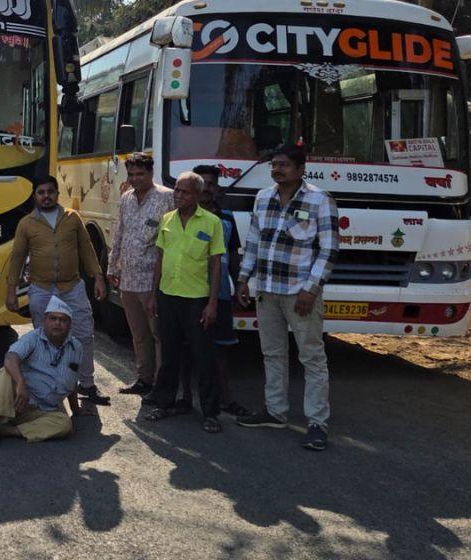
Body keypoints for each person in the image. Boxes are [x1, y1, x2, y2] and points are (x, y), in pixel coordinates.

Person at [236, 144, 338, 451]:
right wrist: (243, 279)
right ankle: (275, 411)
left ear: (300, 169)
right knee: (272, 353)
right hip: (267, 291)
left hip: (300, 293)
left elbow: (329, 249)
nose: (277, 169)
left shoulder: (320, 200)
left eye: (283, 165)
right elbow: (254, 242)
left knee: (312, 358)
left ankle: (317, 423)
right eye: (274, 165)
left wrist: (311, 289)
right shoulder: (263, 197)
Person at [5, 175, 110, 408]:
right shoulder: (27, 223)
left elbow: (86, 248)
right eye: (41, 192)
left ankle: (87, 384)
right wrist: (11, 290)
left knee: (83, 335)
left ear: (56, 194)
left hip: (71, 286)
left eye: (50, 192)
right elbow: (17, 258)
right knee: (43, 338)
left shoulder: (72, 218)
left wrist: (98, 277)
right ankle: (44, 384)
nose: (46, 196)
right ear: (35, 196)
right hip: (41, 288)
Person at [142, 172, 226, 433]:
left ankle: (211, 412)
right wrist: (154, 295)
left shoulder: (212, 222)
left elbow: (215, 265)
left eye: (185, 192)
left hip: (196, 299)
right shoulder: (167, 220)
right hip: (168, 295)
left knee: (204, 357)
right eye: (177, 190)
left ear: (198, 196)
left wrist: (212, 303)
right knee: (169, 354)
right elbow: (160, 258)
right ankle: (164, 403)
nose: (178, 196)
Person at [0, 296, 94, 452]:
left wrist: (76, 410)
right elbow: (10, 358)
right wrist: (21, 383)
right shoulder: (33, 338)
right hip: (19, 403)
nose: (57, 323)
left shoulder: (76, 347)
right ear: (45, 321)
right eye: (53, 318)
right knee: (5, 373)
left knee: (64, 425)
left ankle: (5, 431)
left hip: (44, 411)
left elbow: (72, 380)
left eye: (63, 320)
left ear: (70, 325)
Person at [106, 152, 174, 395]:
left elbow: (172, 239)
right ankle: (144, 379)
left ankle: (162, 384)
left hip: (153, 280)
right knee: (138, 334)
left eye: (140, 174)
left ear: (150, 173)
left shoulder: (167, 198)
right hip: (129, 278)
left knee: (158, 334)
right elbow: (119, 233)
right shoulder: (126, 198)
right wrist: (113, 266)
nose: (135, 179)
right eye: (131, 174)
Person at [193, 164, 252, 418]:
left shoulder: (226, 217)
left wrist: (240, 283)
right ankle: (185, 399)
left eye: (212, 184)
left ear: (217, 188)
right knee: (188, 349)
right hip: (190, 292)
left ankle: (226, 399)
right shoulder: (181, 215)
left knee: (221, 350)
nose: (207, 188)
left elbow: (232, 254)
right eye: (202, 183)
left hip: (222, 294)